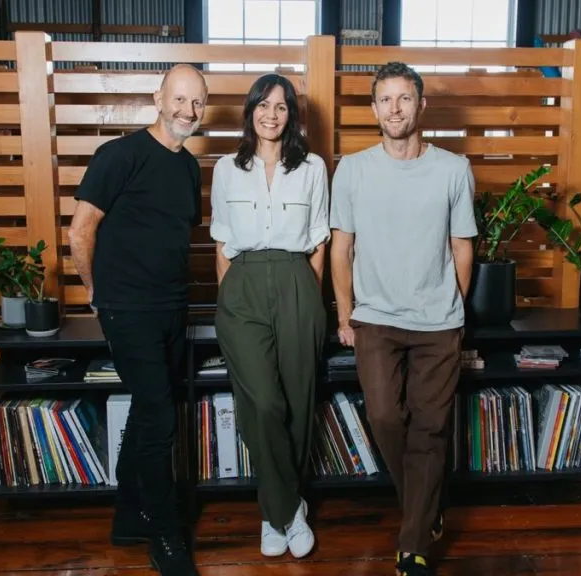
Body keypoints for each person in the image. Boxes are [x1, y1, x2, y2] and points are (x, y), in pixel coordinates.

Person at [329, 61, 477, 576]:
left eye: (404, 99)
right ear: (374, 109)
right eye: (385, 100)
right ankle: (426, 507)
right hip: (375, 317)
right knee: (387, 418)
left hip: (438, 323)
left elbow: (462, 246)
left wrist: (451, 309)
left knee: (431, 428)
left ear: (421, 105)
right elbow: (341, 248)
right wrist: (345, 315)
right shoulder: (352, 169)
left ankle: (413, 540)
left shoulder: (454, 169)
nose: (395, 108)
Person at [68, 63, 207, 576]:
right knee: (161, 418)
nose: (187, 111)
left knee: (152, 411)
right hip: (127, 311)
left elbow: (174, 233)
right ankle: (166, 537)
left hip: (173, 308)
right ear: (158, 97)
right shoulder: (119, 155)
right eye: (179, 99)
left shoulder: (189, 167)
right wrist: (96, 293)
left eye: (196, 103)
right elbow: (80, 232)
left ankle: (129, 516)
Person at [209, 73, 329, 559]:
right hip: (243, 285)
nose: (271, 114)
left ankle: (277, 513)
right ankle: (284, 509)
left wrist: (310, 299)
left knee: (298, 401)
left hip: (298, 280)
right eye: (263, 104)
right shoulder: (225, 168)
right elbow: (221, 241)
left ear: (291, 115)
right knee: (262, 402)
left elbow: (319, 240)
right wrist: (230, 298)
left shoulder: (314, 167)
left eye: (281, 107)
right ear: (250, 110)